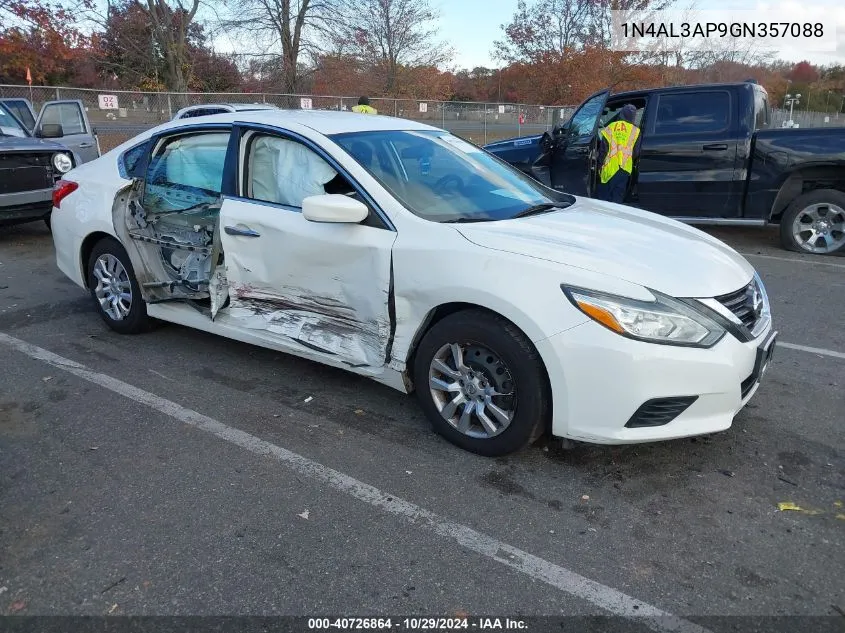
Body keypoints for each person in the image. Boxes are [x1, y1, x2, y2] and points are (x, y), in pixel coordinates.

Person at [595, 104, 640, 204]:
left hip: (609, 169)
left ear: (622, 114)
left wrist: (599, 166)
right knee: (617, 199)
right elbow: (636, 152)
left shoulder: (610, 127)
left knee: (603, 200)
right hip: (624, 169)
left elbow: (603, 151)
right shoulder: (635, 131)